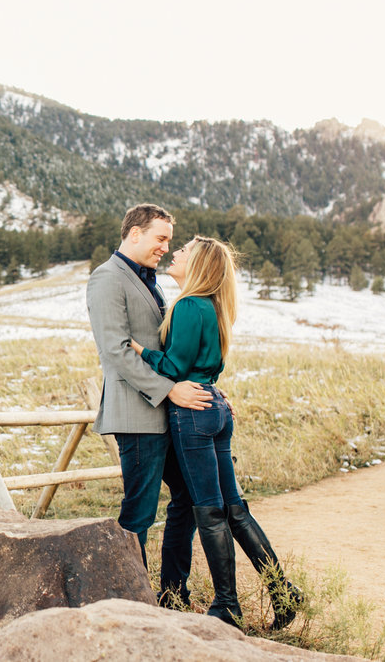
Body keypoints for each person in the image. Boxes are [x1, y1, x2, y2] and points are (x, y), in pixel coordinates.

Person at [130, 235, 303, 629]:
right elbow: (207, 366)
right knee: (234, 508)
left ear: (200, 265)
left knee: (208, 511)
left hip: (193, 414)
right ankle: (283, 592)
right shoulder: (211, 306)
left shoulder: (189, 305)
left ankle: (227, 605)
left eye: (185, 251)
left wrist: (139, 350)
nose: (175, 253)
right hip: (215, 408)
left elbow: (173, 369)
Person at [86, 203, 211, 607]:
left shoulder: (150, 280)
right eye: (160, 239)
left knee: (189, 500)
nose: (165, 247)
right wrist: (169, 390)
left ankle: (173, 593)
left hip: (167, 413)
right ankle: (126, 599)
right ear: (134, 233)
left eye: (169, 241)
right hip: (137, 413)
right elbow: (117, 352)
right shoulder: (106, 278)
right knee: (138, 512)